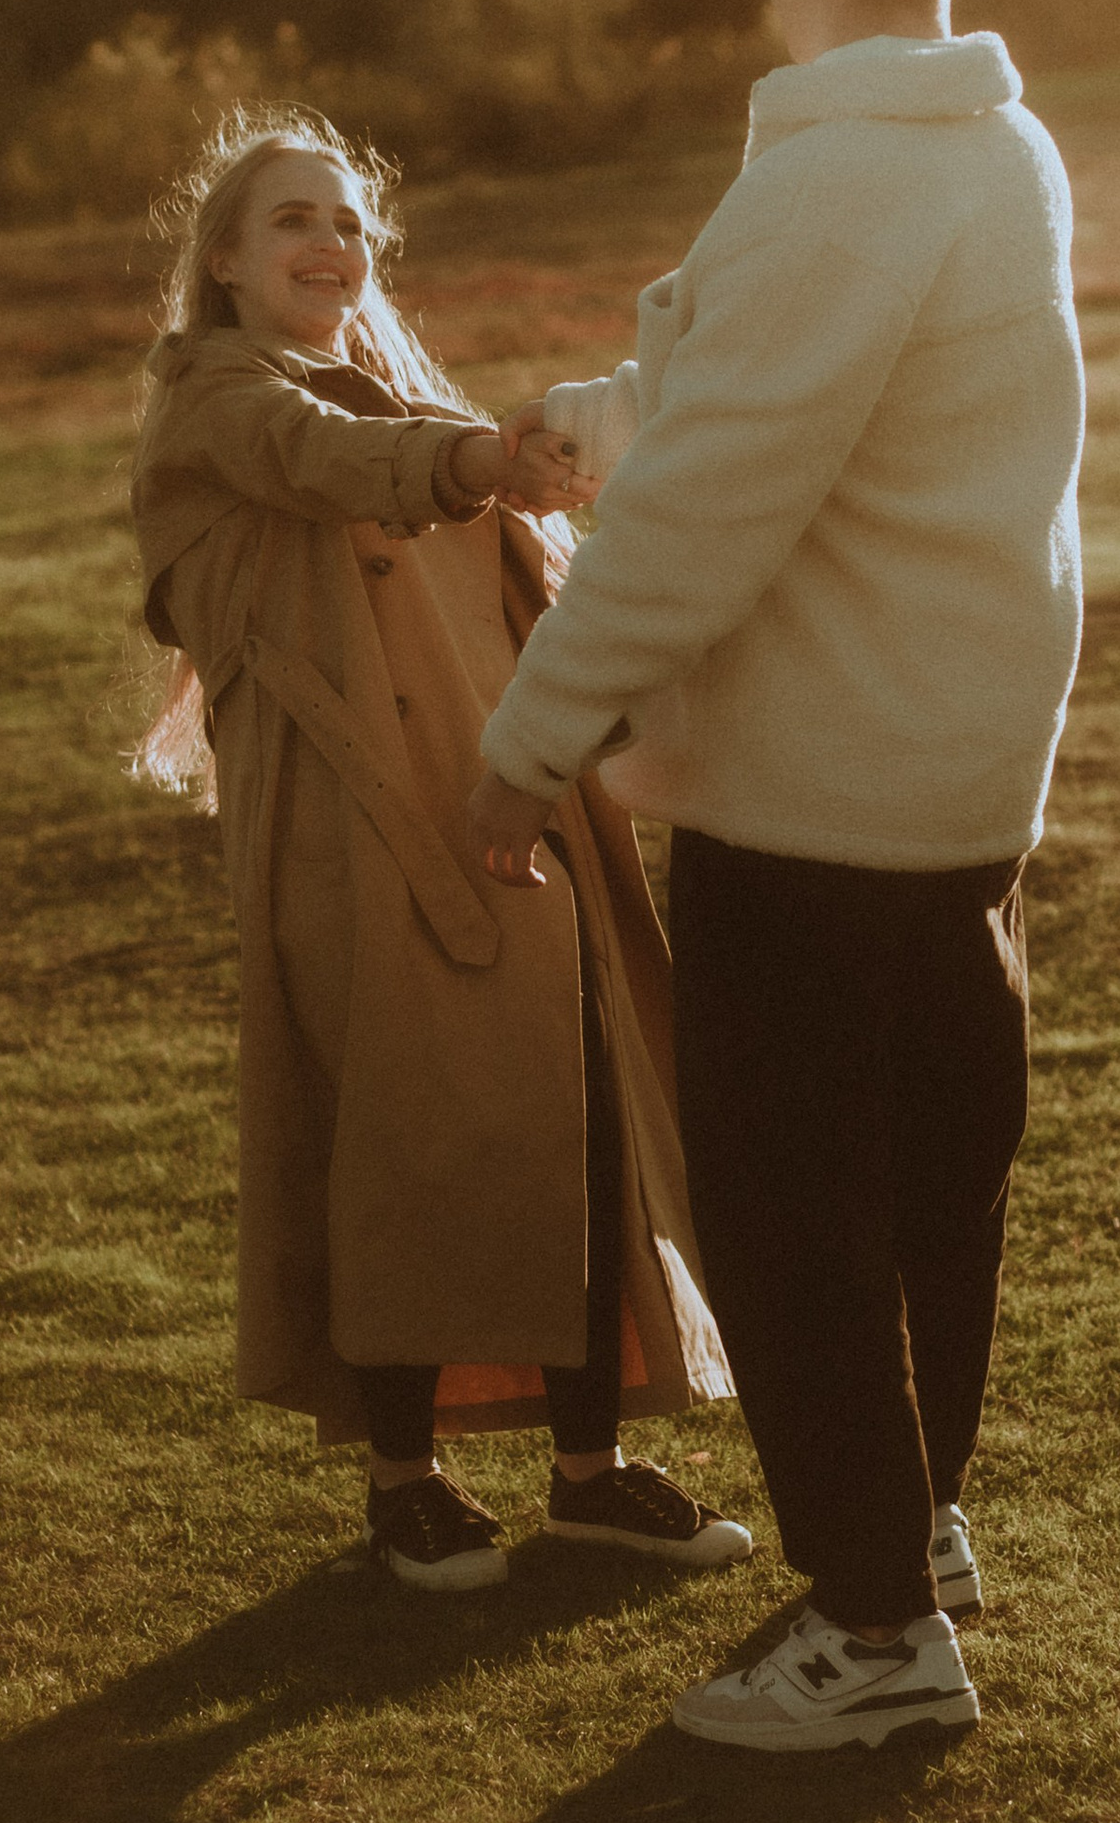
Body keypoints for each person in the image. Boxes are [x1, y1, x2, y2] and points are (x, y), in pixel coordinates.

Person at [468, 0, 1084, 1749]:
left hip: (815, 797)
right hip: (958, 788)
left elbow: (721, 496)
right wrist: (602, 411)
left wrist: (526, 740)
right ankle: (918, 1528)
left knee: (791, 1210)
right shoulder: (991, 155)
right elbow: (789, 396)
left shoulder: (837, 173)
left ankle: (876, 1632)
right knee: (929, 1188)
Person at [130, 109, 749, 1593]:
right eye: (293, 222)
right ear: (220, 260)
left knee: (584, 1105)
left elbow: (482, 560)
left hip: (504, 802)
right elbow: (326, 461)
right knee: (397, 1125)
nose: (333, 247)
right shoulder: (210, 397)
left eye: (350, 224)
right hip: (351, 819)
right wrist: (482, 455)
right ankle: (404, 1477)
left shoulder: (398, 385)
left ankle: (590, 1471)